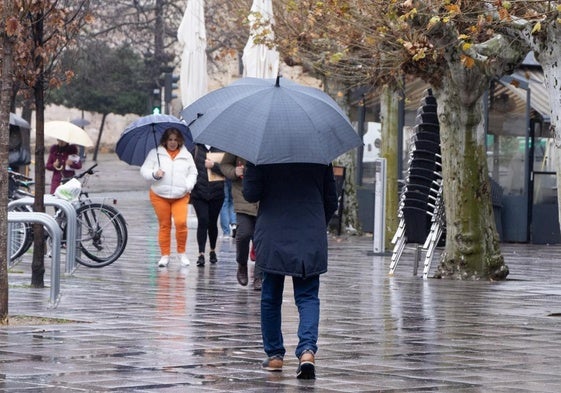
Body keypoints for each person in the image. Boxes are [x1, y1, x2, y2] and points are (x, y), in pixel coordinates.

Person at [242, 162, 338, 380]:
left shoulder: (262, 155)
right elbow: (331, 199)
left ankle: (275, 355)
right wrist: (315, 221)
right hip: (309, 232)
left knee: (270, 297)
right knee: (308, 297)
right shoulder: (319, 154)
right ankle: (307, 352)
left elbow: (250, 193)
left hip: (273, 231)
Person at [140, 127, 197, 268]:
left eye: (175, 140)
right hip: (160, 195)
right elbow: (144, 170)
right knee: (164, 225)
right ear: (165, 140)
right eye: (170, 139)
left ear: (180, 141)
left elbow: (193, 173)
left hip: (180, 195)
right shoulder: (155, 153)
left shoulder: (186, 155)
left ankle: (181, 253)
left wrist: (188, 185)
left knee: (180, 223)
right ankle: (165, 255)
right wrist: (154, 174)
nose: (173, 142)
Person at [219, 153, 262, 290]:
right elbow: (224, 165)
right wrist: (234, 172)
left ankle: (259, 275)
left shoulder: (272, 144)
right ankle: (242, 264)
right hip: (243, 196)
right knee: (243, 233)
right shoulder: (239, 145)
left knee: (261, 239)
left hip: (266, 198)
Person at [190, 144, 225, 267]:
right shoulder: (195, 149)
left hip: (217, 193)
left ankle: (212, 250)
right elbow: (188, 169)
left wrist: (214, 166)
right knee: (203, 220)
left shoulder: (221, 149)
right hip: (199, 193)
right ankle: (201, 253)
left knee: (212, 222)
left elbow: (227, 171)